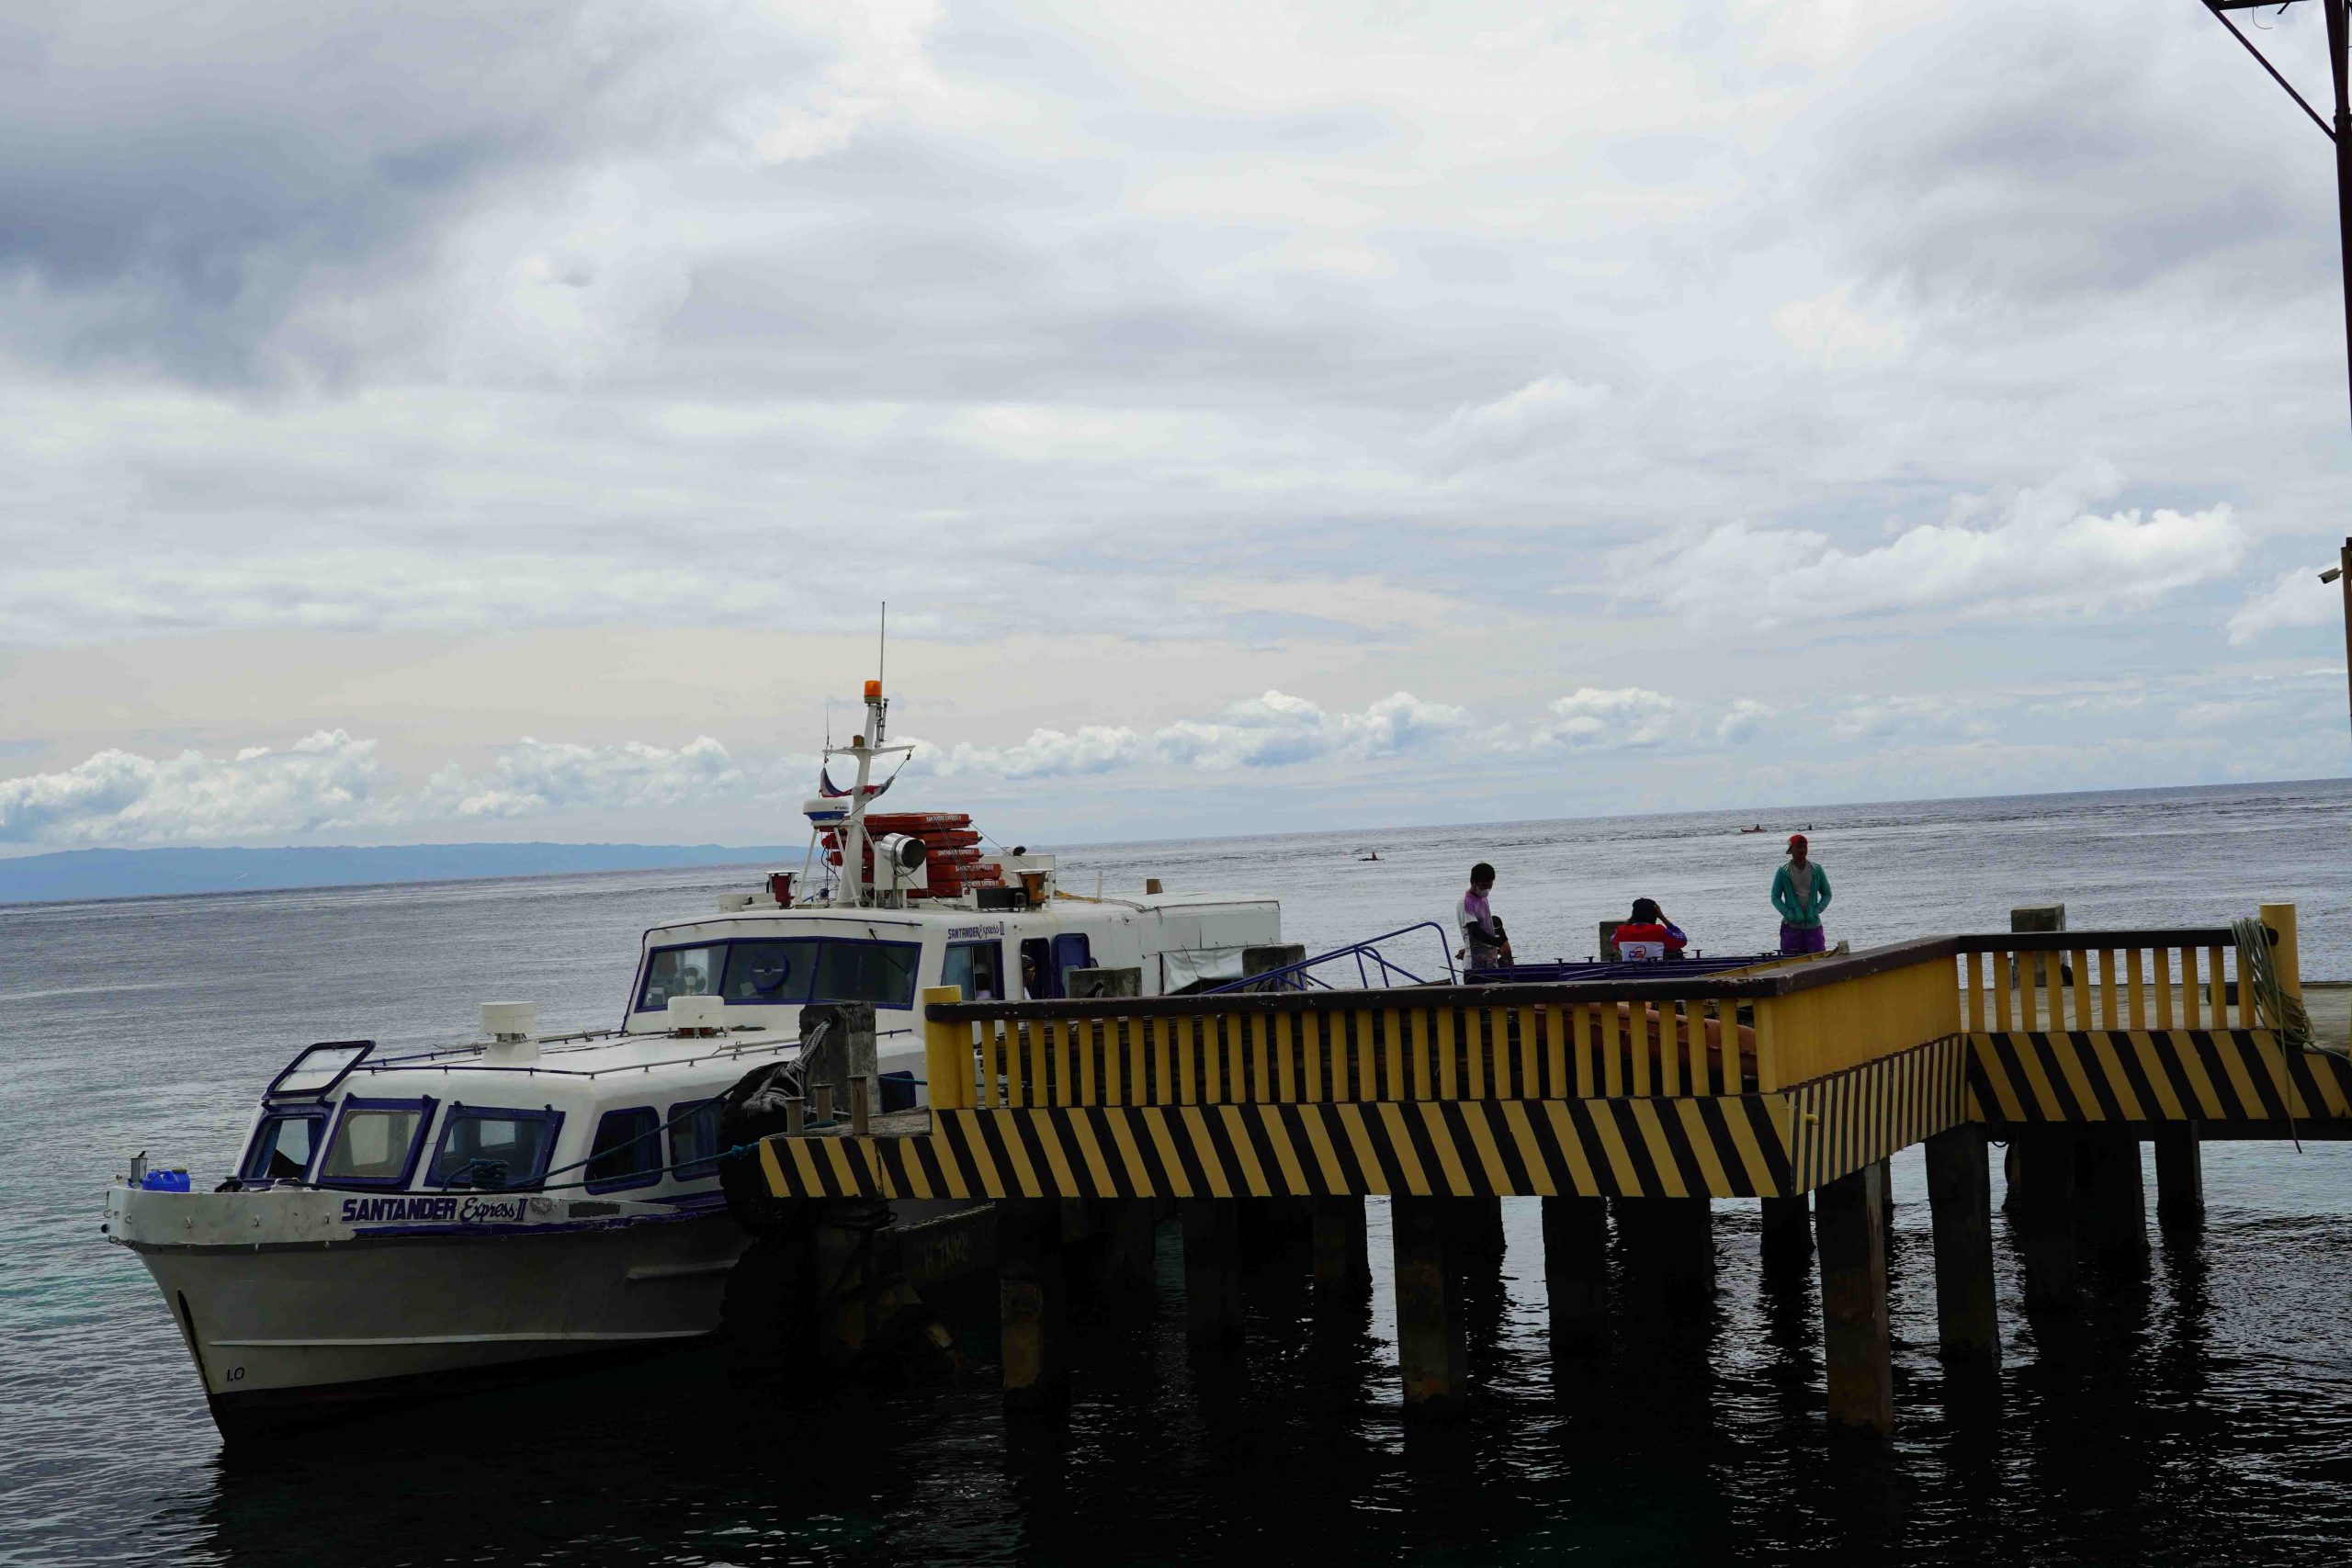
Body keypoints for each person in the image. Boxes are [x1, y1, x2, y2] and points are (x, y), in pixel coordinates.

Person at [1771, 833, 1832, 954]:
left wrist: (1817, 910)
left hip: (1814, 926)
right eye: (1798, 847)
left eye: (1804, 846)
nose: (1802, 850)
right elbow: (1775, 897)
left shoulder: (1817, 870)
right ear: (1791, 850)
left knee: (1819, 961)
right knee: (1791, 962)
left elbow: (1827, 893)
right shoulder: (1783, 871)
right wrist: (1788, 914)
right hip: (1791, 928)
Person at [1457, 862, 1512, 970]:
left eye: (1489, 885)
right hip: (1475, 964)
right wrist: (1500, 943)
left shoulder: (1483, 899)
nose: (1486, 889)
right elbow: (1475, 932)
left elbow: (1487, 926)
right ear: (1473, 883)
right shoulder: (1467, 903)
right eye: (1483, 886)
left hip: (1490, 960)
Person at [1612, 897, 1688, 961]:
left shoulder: (1621, 932)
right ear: (1656, 914)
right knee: (1675, 950)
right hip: (1657, 971)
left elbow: (1613, 941)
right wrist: (1662, 917)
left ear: (1633, 914)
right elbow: (1682, 940)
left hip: (1629, 972)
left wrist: (1630, 920)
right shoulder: (1659, 930)